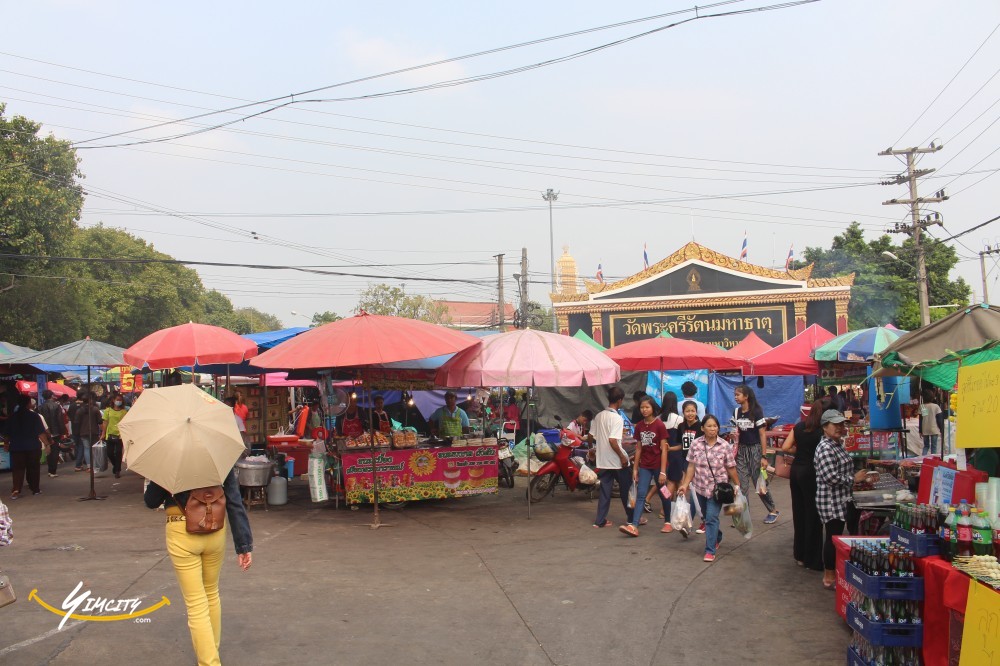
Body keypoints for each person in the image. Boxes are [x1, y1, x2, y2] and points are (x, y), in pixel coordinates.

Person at [144, 468, 253, 665]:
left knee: (196, 603)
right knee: (211, 593)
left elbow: (151, 500)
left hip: (181, 531)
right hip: (215, 529)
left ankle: (210, 661)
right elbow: (235, 501)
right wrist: (244, 545)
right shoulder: (218, 455)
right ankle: (211, 651)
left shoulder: (170, 458)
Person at [815, 409, 870, 589]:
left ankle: (834, 573)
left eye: (841, 424)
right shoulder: (825, 448)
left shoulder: (836, 444)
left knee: (837, 535)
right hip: (830, 500)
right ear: (825, 427)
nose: (839, 428)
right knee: (833, 537)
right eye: (835, 425)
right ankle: (829, 577)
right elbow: (830, 477)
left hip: (842, 497)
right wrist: (854, 479)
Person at [677, 414, 740, 563]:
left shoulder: (724, 445)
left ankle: (710, 550)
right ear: (702, 428)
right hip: (699, 487)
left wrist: (737, 484)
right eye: (709, 426)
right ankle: (717, 536)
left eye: (715, 426)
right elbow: (691, 466)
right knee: (707, 517)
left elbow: (730, 467)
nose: (712, 429)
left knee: (711, 517)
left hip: (717, 490)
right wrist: (685, 485)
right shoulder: (696, 444)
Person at [780, 397, 829, 571]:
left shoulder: (800, 426)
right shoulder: (823, 431)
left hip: (797, 472)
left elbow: (785, 447)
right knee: (813, 516)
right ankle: (812, 559)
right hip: (812, 473)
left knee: (799, 513)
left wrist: (799, 449)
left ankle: (799, 555)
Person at [620, 396, 670, 537]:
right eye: (642, 407)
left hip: (658, 466)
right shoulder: (640, 426)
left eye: (647, 407)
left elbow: (664, 449)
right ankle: (634, 525)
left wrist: (663, 472)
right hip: (645, 466)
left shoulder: (659, 425)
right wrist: (635, 469)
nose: (644, 410)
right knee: (641, 494)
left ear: (653, 408)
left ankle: (668, 521)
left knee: (664, 493)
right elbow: (639, 449)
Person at [733, 384, 779, 523]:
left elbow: (762, 434)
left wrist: (764, 456)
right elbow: (737, 431)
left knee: (759, 484)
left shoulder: (757, 411)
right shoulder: (736, 412)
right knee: (741, 484)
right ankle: (743, 515)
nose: (735, 397)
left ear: (746, 396)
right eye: (735, 394)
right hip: (741, 450)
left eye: (738, 395)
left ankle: (773, 510)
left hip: (755, 450)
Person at [591, 386, 633, 529]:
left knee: (605, 490)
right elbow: (613, 440)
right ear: (620, 400)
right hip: (616, 461)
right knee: (626, 490)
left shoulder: (599, 415)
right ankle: (632, 518)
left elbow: (591, 435)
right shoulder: (616, 418)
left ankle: (600, 520)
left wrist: (592, 448)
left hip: (603, 460)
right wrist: (622, 456)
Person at [2, 395, 52, 498]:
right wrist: (47, 444)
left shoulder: (12, 417)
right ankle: (35, 489)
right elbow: (40, 433)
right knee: (33, 468)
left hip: (16, 447)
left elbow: (7, 434)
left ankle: (16, 489)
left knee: (18, 469)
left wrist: (6, 444)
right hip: (32, 447)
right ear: (29, 403)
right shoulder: (34, 416)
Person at [671, 399, 702, 532]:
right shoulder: (681, 426)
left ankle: (690, 523)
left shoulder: (701, 426)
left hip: (699, 464)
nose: (690, 413)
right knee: (690, 492)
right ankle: (689, 522)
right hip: (686, 462)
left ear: (696, 412)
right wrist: (669, 449)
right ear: (683, 412)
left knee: (695, 493)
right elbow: (681, 446)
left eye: (692, 411)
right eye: (687, 411)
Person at [37, 390, 66, 478]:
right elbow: (60, 420)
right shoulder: (56, 406)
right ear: (51, 396)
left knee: (48, 449)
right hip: (55, 431)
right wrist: (63, 432)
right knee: (55, 451)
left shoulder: (40, 407)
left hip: (45, 431)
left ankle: (51, 470)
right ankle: (52, 470)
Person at [72, 392, 102, 472]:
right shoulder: (95, 409)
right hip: (94, 432)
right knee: (94, 449)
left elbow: (76, 422)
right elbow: (100, 421)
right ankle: (95, 465)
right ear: (90, 400)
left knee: (86, 448)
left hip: (83, 432)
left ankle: (89, 466)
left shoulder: (79, 411)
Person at [101, 393, 127, 478]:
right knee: (110, 453)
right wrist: (103, 433)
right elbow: (105, 422)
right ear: (113, 400)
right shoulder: (107, 411)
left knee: (119, 453)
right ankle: (115, 466)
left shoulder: (124, 412)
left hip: (120, 435)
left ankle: (117, 470)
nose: (118, 401)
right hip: (110, 434)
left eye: (120, 400)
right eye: (117, 399)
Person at [919, 391, 942, 456]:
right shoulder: (936, 406)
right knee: (933, 446)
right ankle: (933, 459)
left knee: (926, 446)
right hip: (934, 428)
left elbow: (921, 419)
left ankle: (923, 458)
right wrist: (941, 429)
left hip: (925, 428)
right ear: (932, 397)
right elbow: (939, 419)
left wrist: (920, 431)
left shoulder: (922, 406)